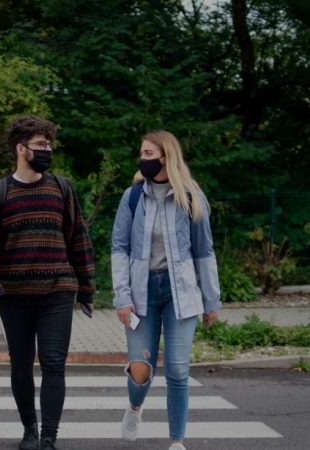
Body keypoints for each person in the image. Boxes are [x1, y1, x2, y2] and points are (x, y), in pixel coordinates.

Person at [0, 115, 96, 450]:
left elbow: (78, 237)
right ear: (21, 148)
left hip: (58, 291)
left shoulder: (62, 188)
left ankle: (48, 437)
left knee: (54, 363)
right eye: (41, 145)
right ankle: (29, 428)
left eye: (49, 144)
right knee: (21, 363)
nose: (47, 150)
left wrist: (86, 287)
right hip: (13, 295)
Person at [111, 130, 221, 450]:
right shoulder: (133, 196)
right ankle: (135, 407)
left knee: (177, 368)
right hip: (141, 292)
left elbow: (204, 252)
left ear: (165, 158)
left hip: (180, 293)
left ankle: (177, 441)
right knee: (140, 371)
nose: (142, 159)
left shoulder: (190, 197)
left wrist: (211, 300)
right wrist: (122, 296)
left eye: (148, 154)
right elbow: (119, 248)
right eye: (141, 154)